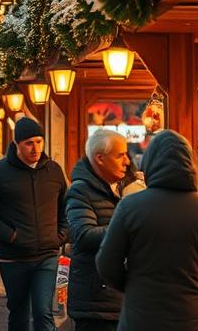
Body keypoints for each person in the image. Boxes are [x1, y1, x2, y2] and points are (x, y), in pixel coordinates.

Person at [96, 130, 198, 331]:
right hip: (195, 321)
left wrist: (134, 286)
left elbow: (106, 264)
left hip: (141, 319)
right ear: (190, 166)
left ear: (150, 164)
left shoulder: (129, 207)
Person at [0, 117, 68, 331]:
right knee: (18, 312)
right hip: (13, 257)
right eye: (29, 143)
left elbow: (65, 206)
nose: (35, 148)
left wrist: (61, 234)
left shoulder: (53, 170)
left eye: (38, 141)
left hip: (47, 254)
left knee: (43, 312)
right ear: (17, 144)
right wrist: (9, 235)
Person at [65, 129, 130, 331]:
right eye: (120, 155)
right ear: (100, 158)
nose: (127, 161)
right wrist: (132, 226)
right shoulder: (80, 190)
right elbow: (84, 236)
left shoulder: (118, 188)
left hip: (115, 298)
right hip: (95, 301)